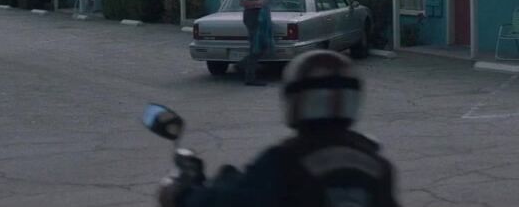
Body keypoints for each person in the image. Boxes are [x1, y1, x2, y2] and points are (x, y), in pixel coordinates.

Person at [159, 50, 399, 207]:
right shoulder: (379, 166)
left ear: (295, 98)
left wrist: (180, 193)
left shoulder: (285, 161)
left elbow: (229, 201)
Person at [236, 0, 270, 86]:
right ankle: (249, 75)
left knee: (262, 45)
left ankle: (245, 65)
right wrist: (260, 3)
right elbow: (243, 2)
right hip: (252, 15)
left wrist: (262, 0)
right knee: (256, 46)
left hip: (257, 14)